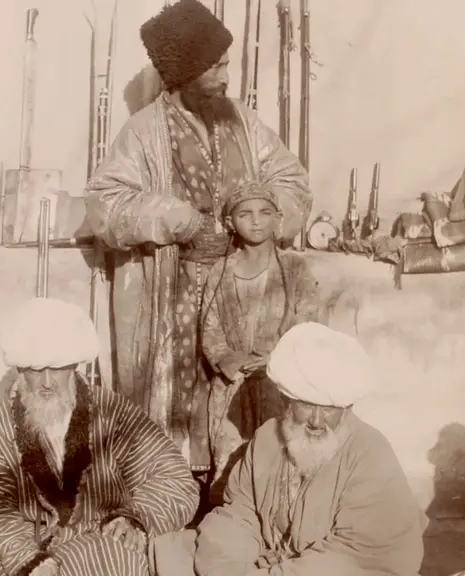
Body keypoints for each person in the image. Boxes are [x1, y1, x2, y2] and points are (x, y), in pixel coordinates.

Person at [84, 0, 312, 474]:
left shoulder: (245, 125)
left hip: (242, 291)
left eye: (227, 63)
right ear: (182, 74)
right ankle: (174, 494)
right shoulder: (143, 133)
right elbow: (104, 204)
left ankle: (243, 489)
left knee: (243, 403)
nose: (225, 76)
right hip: (171, 296)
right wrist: (175, 218)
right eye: (215, 67)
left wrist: (263, 215)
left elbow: (293, 182)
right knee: (176, 409)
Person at [0, 298, 199, 576]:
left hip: (95, 536)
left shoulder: (113, 411)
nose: (45, 383)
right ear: (19, 370)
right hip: (21, 536)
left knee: (113, 560)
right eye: (34, 369)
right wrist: (26, 557)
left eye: (55, 368)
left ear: (73, 366)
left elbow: (172, 478)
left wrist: (135, 518)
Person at [150, 322, 427, 576]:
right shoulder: (268, 439)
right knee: (175, 552)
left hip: (336, 570)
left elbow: (355, 557)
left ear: (347, 408)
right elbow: (240, 514)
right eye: (306, 405)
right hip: (268, 562)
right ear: (286, 400)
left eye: (329, 409)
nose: (317, 421)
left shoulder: (370, 454)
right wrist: (231, 566)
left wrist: (277, 572)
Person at [201, 181, 320, 503]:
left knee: (283, 462)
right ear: (230, 223)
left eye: (265, 212)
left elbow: (307, 321)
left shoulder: (295, 268)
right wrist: (228, 361)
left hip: (280, 385)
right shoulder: (221, 271)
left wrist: (274, 359)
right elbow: (210, 328)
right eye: (245, 214)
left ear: (277, 218)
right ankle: (231, 530)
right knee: (232, 461)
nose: (256, 221)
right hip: (232, 386)